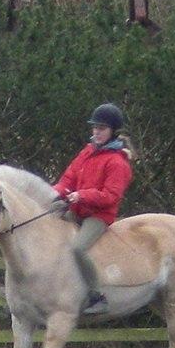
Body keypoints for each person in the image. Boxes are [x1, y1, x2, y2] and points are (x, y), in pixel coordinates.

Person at [51, 102, 134, 315]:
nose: (96, 132)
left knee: (77, 248)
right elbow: (68, 178)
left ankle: (98, 295)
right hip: (77, 209)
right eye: (95, 127)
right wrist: (53, 193)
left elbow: (111, 196)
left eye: (101, 128)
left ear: (113, 131)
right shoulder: (87, 152)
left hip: (98, 216)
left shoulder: (118, 162)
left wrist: (82, 195)